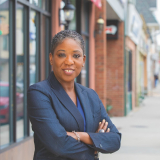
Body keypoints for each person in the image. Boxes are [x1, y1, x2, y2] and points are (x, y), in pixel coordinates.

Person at [27, 30, 121, 160]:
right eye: (61, 55)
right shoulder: (39, 93)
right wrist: (94, 146)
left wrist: (79, 136)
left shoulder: (91, 95)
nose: (69, 61)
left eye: (76, 56)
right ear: (51, 58)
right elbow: (58, 143)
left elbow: (115, 139)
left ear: (83, 60)